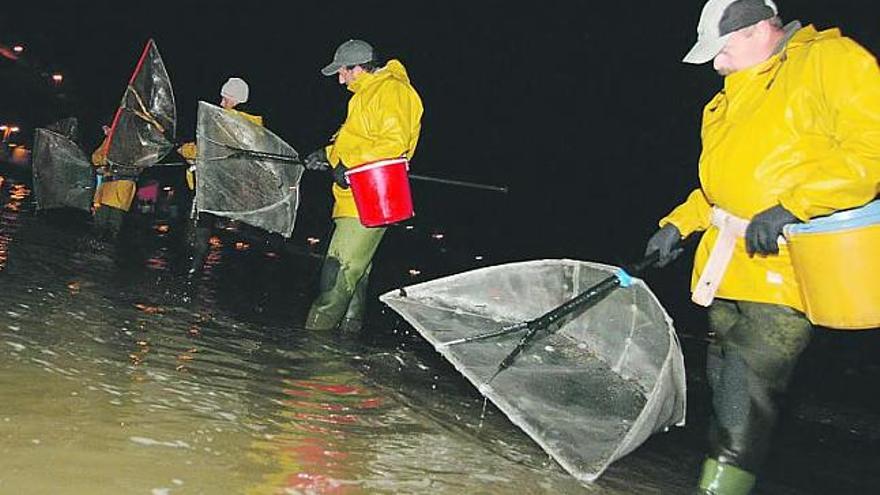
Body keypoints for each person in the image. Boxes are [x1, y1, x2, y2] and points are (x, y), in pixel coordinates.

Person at [644, 1, 880, 493]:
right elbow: (720, 188)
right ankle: (724, 477)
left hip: (794, 262)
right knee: (724, 377)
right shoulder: (728, 99)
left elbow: (869, 147)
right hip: (728, 266)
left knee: (746, 389)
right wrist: (679, 224)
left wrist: (795, 205)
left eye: (721, 49)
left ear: (755, 31)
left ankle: (719, 488)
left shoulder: (830, 61)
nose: (714, 63)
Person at [302, 39, 424, 332]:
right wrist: (327, 155)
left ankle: (308, 355)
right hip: (353, 199)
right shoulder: (364, 96)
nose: (340, 79)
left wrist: (350, 164)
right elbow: (359, 141)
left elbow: (394, 145)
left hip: (371, 198)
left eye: (342, 71)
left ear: (359, 68)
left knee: (335, 276)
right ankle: (344, 355)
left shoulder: (392, 89)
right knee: (355, 279)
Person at [178, 77, 263, 274]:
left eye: (225, 99)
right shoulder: (251, 127)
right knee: (201, 232)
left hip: (214, 187)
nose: (221, 103)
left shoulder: (230, 123)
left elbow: (208, 149)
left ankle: (191, 276)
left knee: (198, 234)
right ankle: (193, 274)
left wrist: (186, 150)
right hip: (221, 186)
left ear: (236, 100)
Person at [91, 124, 138, 240]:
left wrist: (107, 166)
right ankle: (97, 247)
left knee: (113, 224)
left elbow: (133, 163)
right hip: (106, 188)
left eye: (108, 128)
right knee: (99, 222)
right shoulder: (109, 142)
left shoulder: (133, 144)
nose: (105, 130)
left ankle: (109, 248)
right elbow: (96, 158)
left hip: (121, 188)